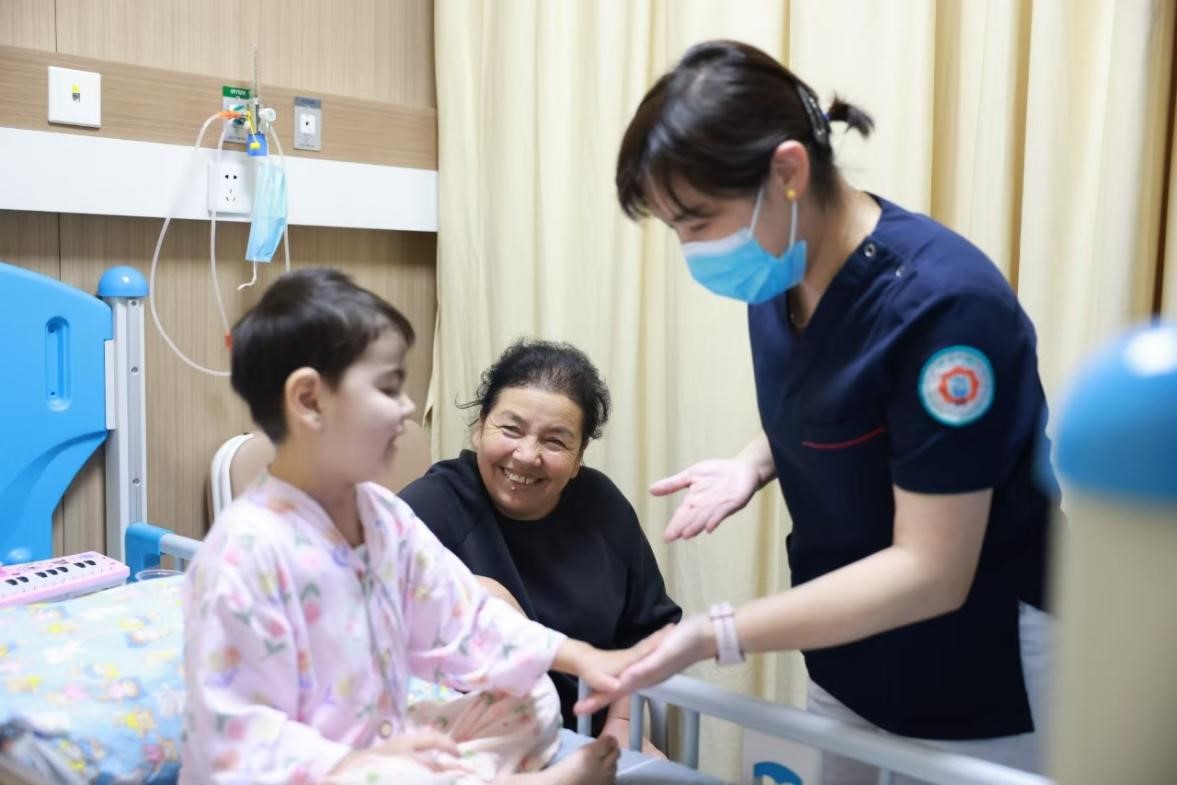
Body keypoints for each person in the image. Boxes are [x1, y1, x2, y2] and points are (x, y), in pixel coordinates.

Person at [591, 40, 1059, 783]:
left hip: (977, 660)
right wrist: (752, 460)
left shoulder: (944, 310)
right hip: (848, 648)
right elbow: (840, 395)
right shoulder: (782, 269)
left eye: (696, 219)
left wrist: (715, 633)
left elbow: (933, 570)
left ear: (786, 172)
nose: (690, 248)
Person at [181, 269, 637, 785]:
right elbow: (239, 738)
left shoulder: (382, 517)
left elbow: (461, 618)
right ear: (309, 400)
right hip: (303, 768)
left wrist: (572, 655)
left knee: (530, 695)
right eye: (388, 388)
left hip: (374, 739)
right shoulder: (246, 552)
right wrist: (362, 762)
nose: (405, 409)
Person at [399, 339, 681, 755]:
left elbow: (651, 630)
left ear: (579, 455)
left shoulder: (603, 507)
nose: (526, 455)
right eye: (511, 429)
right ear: (479, 428)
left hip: (589, 734)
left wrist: (622, 723)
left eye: (555, 441)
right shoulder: (427, 511)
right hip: (470, 743)